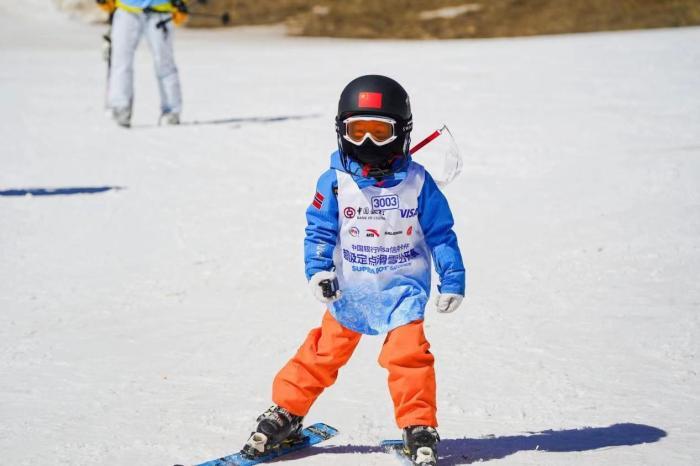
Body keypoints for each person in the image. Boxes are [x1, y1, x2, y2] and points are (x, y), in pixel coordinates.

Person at [241, 75, 466, 466]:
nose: (366, 143)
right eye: (356, 131)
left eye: (379, 132)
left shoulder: (418, 183)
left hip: (402, 291)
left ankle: (418, 425)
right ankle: (286, 411)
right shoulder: (335, 183)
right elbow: (319, 231)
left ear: (401, 133)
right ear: (341, 131)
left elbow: (441, 234)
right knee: (321, 353)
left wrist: (452, 278)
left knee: (409, 357)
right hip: (351, 290)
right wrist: (318, 272)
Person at [96, 0, 188, 127]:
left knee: (164, 63)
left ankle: (171, 111)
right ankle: (121, 107)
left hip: (160, 11)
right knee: (121, 61)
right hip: (126, 10)